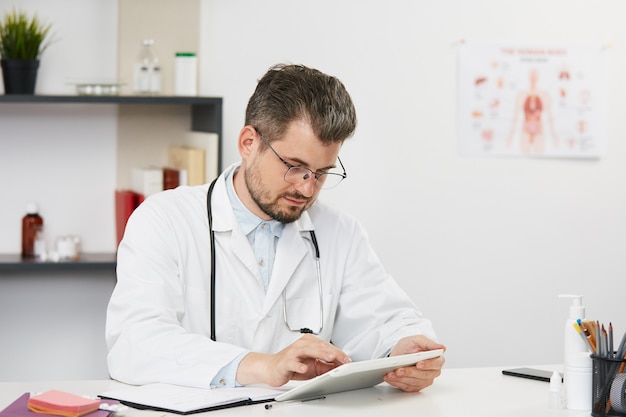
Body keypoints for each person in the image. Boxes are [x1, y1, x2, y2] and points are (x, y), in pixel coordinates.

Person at [105, 63, 445, 393]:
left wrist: (405, 350)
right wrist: (264, 366)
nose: (307, 189)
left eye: (322, 172)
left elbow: (385, 319)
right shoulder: (165, 219)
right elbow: (135, 343)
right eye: (295, 167)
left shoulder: (340, 231)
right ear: (248, 143)